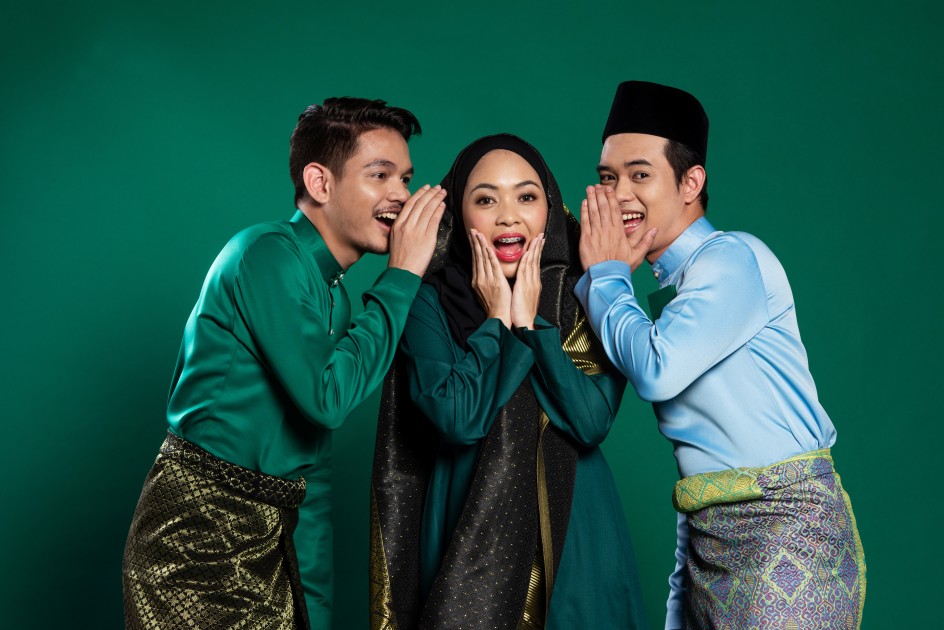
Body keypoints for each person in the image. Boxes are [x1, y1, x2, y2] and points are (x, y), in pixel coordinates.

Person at [122, 97, 446, 629]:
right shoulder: (265, 253)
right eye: (380, 174)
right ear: (320, 183)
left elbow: (309, 477)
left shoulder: (336, 299)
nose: (401, 195)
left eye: (405, 179)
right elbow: (327, 399)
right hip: (193, 543)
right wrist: (403, 274)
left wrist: (314, 614)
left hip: (270, 549)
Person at [576, 80, 867, 629]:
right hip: (708, 539)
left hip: (787, 531)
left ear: (691, 182)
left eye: (640, 175)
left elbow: (657, 371)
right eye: (608, 178)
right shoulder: (672, 285)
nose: (618, 195)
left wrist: (607, 276)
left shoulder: (731, 257)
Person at [369, 134, 647, 629]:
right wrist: (497, 322)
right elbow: (458, 419)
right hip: (468, 523)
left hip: (577, 528)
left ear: (549, 209)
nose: (508, 217)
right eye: (485, 200)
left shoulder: (584, 292)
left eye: (526, 197)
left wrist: (532, 326)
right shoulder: (428, 300)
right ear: (459, 215)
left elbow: (590, 422)